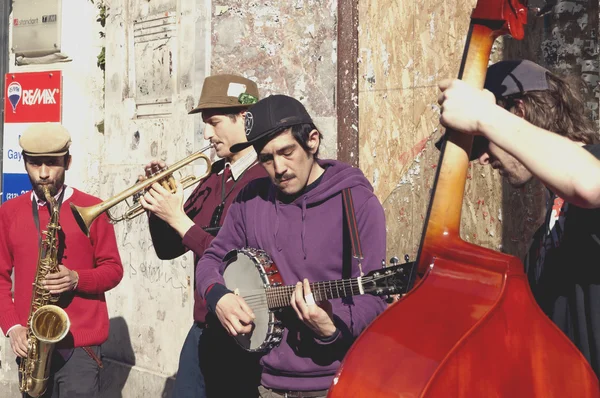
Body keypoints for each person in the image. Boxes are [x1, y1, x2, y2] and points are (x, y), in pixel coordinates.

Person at [195, 94, 388, 397]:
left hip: (336, 384)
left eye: (287, 152)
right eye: (267, 158)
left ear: (312, 140)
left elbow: (374, 300)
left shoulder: (356, 203)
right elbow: (211, 260)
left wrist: (331, 329)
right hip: (263, 383)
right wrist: (218, 297)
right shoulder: (250, 200)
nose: (279, 168)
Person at [437, 59, 600, 376]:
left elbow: (590, 183)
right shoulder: (546, 237)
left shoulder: (592, 164)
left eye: (481, 142)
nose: (482, 158)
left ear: (519, 113)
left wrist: (484, 117)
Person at [139, 74, 267, 397]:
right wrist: (158, 206)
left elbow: (240, 262)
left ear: (244, 118)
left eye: (214, 122)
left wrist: (179, 219)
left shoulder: (263, 181)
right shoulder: (213, 179)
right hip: (202, 329)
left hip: (240, 335)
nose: (207, 134)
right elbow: (168, 249)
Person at [0, 123, 124, 397]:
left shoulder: (92, 208)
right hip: (31, 346)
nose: (43, 174)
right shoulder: (8, 212)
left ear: (67, 161)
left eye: (52, 163)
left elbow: (114, 270)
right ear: (24, 163)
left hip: (81, 347)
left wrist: (77, 278)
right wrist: (12, 326)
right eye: (35, 164)